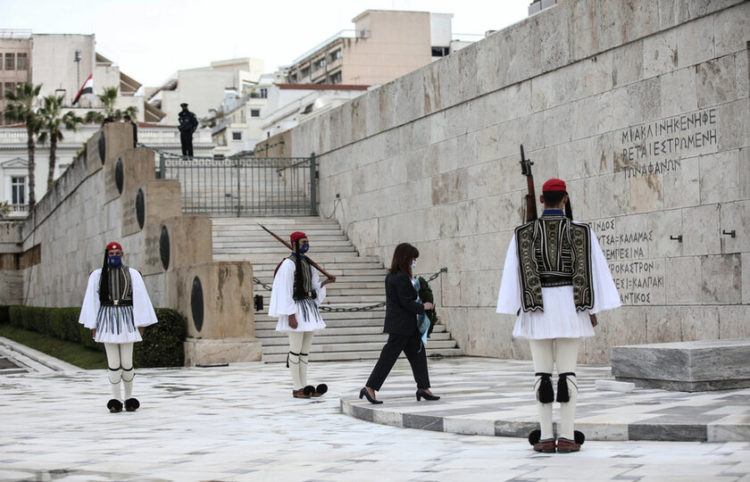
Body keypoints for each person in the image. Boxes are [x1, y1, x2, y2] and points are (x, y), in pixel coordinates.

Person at [496, 178, 621, 453]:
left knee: (541, 374)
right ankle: (566, 436)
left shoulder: (522, 233)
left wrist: (515, 307)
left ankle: (543, 436)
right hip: (570, 308)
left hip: (536, 309)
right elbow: (595, 273)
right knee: (568, 373)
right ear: (565, 199)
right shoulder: (583, 232)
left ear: (541, 200)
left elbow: (512, 276)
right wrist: (593, 309)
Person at [78, 241, 158, 413]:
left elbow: (140, 298)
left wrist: (140, 323)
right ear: (107, 256)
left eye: (117, 254)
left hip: (127, 320)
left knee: (127, 362)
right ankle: (115, 399)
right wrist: (93, 324)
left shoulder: (133, 274)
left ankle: (129, 398)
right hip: (107, 320)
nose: (114, 257)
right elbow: (92, 301)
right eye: (111, 254)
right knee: (113, 363)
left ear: (122, 255)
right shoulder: (98, 275)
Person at [360, 243, 439, 404]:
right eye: (413, 258)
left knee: (418, 356)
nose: (414, 261)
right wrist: (423, 306)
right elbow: (406, 302)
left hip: (407, 326)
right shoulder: (400, 277)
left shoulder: (395, 276)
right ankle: (369, 388)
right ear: (406, 258)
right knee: (388, 358)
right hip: (401, 326)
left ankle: (423, 388)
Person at [269, 231, 336, 398]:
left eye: (307, 241)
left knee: (305, 350)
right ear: (294, 244)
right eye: (304, 242)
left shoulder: (307, 263)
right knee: (295, 348)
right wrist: (290, 315)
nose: (307, 244)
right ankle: (296, 386)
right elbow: (285, 291)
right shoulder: (288, 265)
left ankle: (305, 385)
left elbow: (313, 287)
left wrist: (325, 283)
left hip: (308, 309)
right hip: (295, 310)